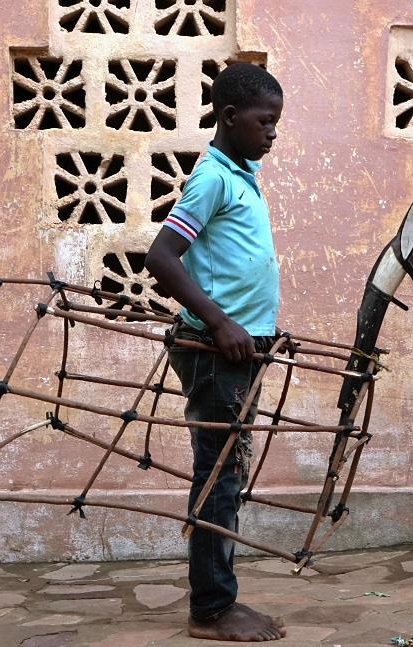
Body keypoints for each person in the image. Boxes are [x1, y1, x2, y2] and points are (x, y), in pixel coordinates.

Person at [145, 62, 287, 642]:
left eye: (277, 123)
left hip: (238, 349)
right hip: (213, 351)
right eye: (265, 121)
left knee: (227, 471)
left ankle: (219, 597)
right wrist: (222, 322)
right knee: (218, 477)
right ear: (230, 117)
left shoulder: (242, 174)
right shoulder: (212, 179)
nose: (273, 133)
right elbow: (161, 257)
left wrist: (254, 327)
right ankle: (211, 608)